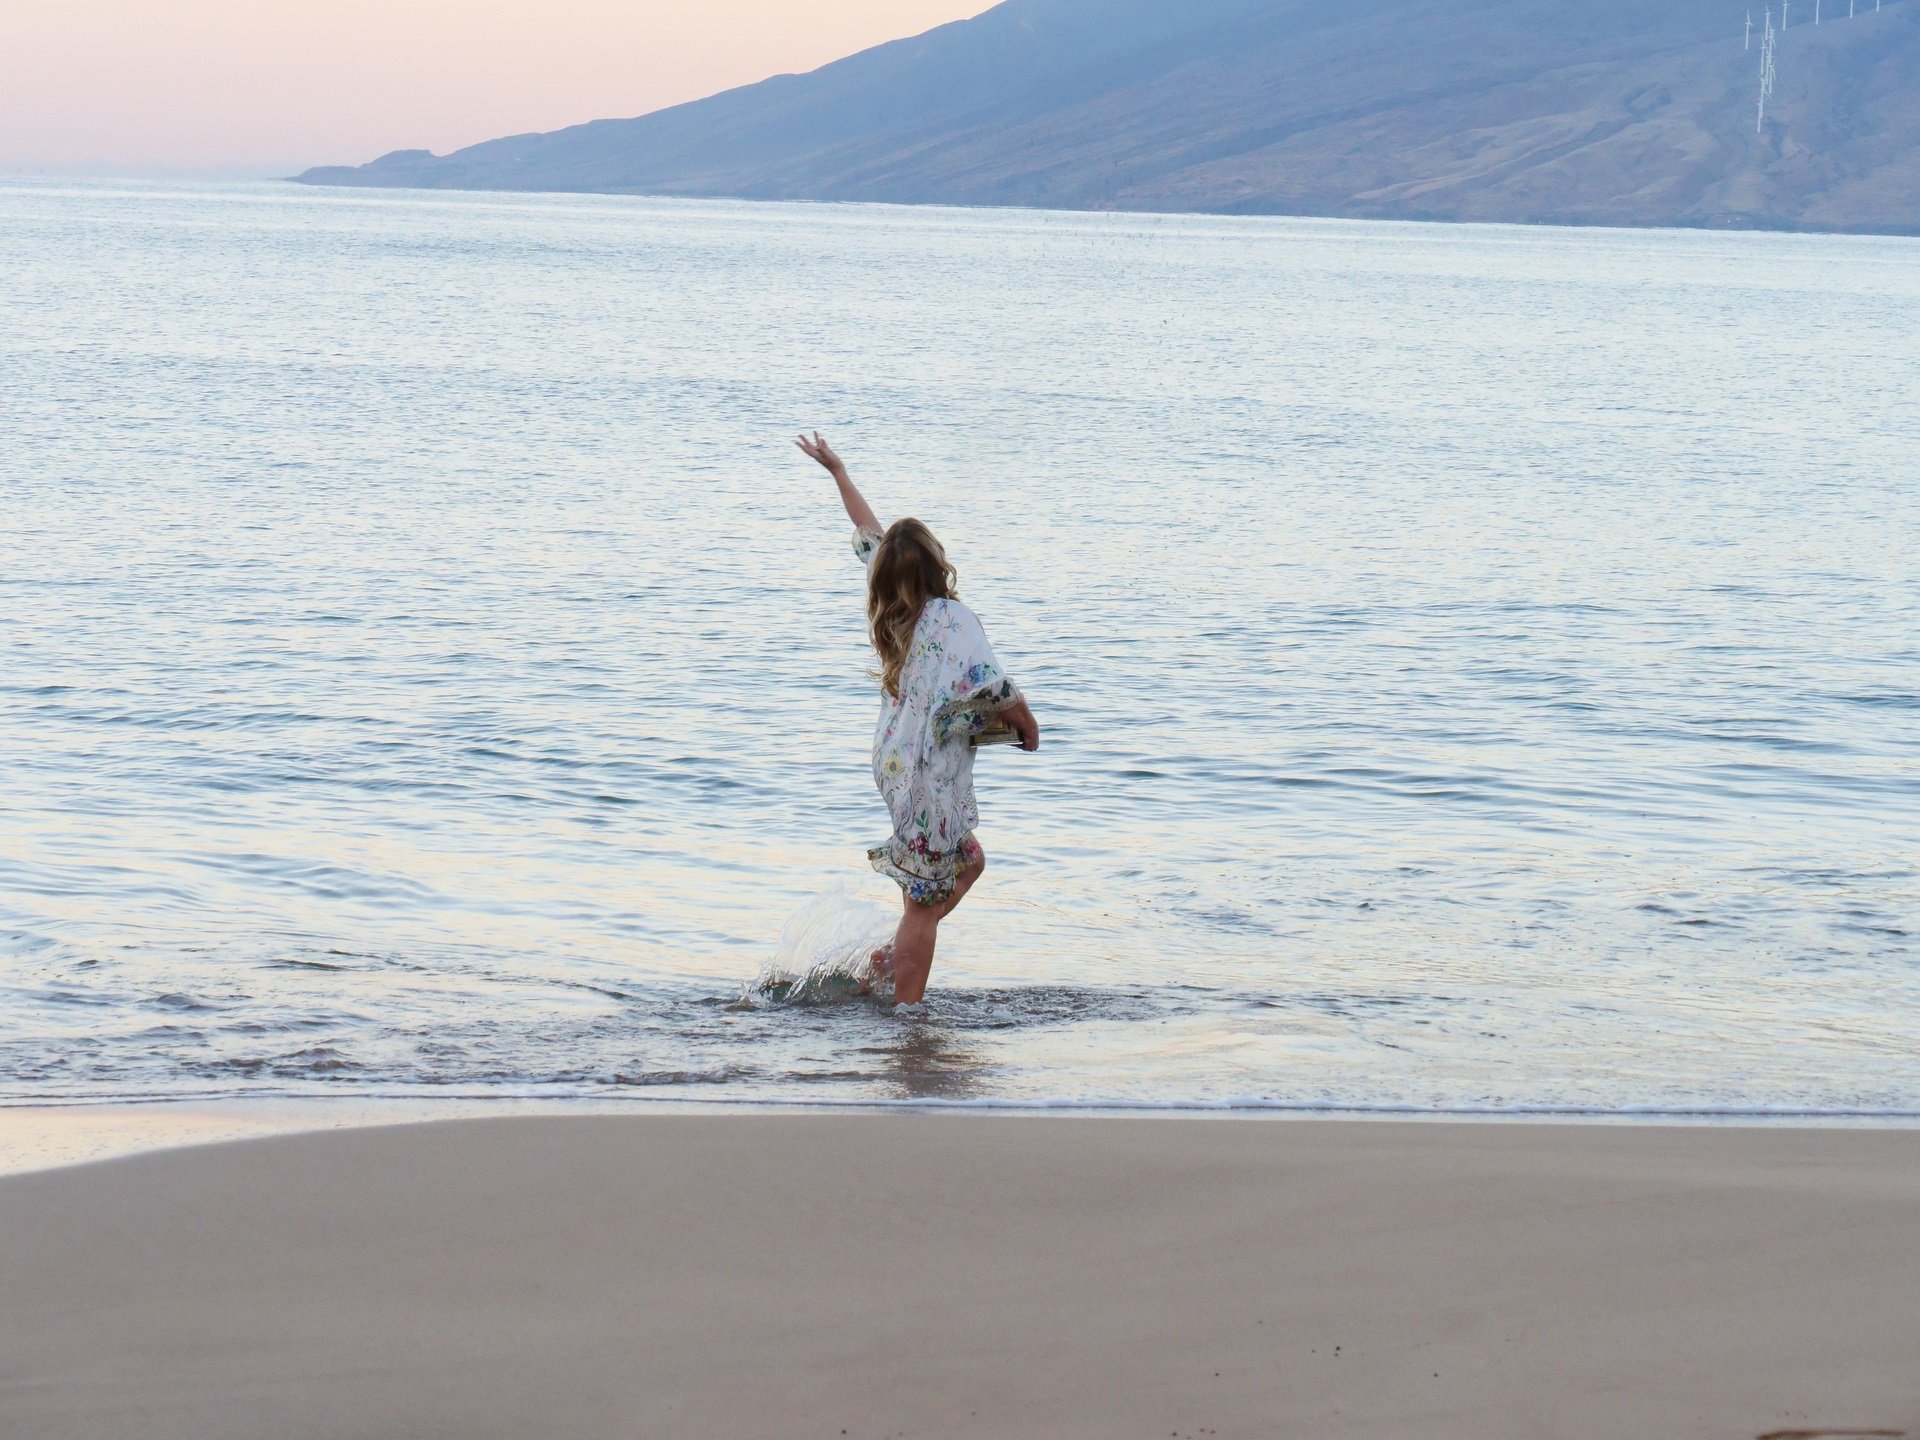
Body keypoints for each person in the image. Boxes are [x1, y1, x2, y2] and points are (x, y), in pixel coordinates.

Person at [796, 432, 1040, 1006]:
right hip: (926, 773)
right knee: (923, 906)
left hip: (895, 761)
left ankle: (892, 955)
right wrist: (1028, 727)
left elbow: (869, 533)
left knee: (969, 862)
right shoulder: (952, 618)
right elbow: (994, 685)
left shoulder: (897, 610)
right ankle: (909, 1019)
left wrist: (839, 472)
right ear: (937, 563)